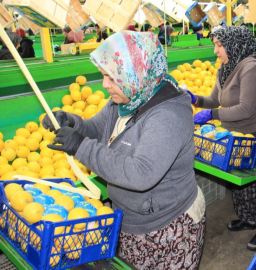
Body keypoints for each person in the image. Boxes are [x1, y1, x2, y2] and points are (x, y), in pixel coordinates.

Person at [41, 31, 205, 269]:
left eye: (112, 78)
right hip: (131, 220)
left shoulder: (169, 115)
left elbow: (141, 173)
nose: (105, 84)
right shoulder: (130, 97)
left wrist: (80, 146)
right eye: (104, 76)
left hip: (168, 227)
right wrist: (71, 122)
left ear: (135, 74)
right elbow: (98, 128)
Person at [188, 26, 256, 251]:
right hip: (235, 137)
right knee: (239, 183)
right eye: (215, 44)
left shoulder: (251, 68)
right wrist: (196, 99)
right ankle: (246, 218)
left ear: (235, 43)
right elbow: (215, 99)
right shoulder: (225, 68)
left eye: (219, 44)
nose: (215, 50)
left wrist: (213, 115)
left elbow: (245, 109)